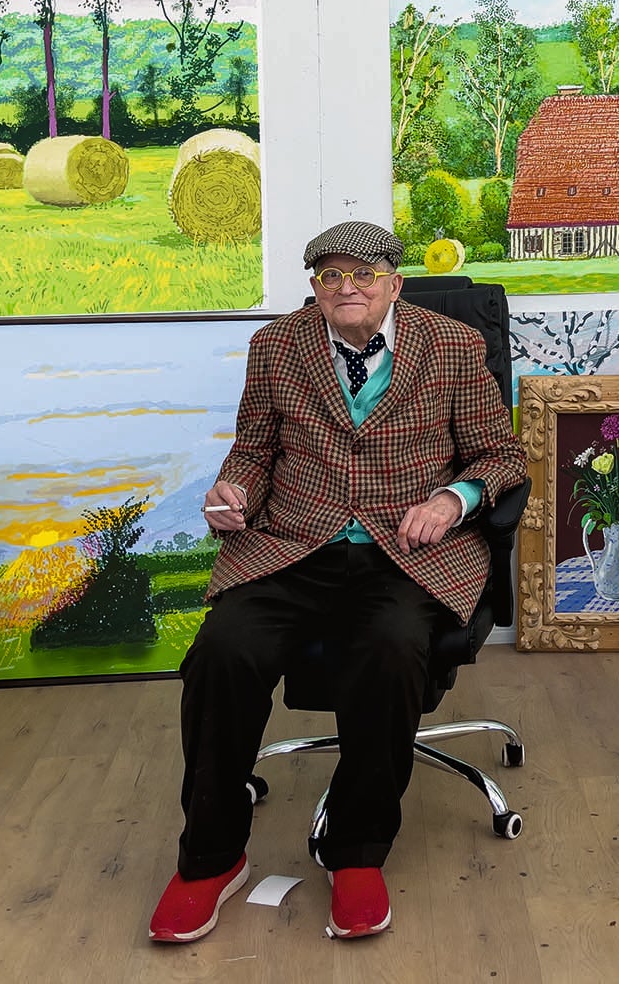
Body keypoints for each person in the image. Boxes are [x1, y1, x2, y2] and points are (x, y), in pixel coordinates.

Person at [149, 221, 524, 945]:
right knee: (223, 653)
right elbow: (255, 450)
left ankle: (356, 852)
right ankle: (210, 860)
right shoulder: (278, 346)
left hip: (409, 550)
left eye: (363, 274)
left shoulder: (451, 346)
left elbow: (499, 454)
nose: (346, 288)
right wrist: (234, 492)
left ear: (394, 282)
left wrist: (454, 501)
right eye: (329, 276)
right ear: (315, 285)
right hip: (293, 544)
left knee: (387, 652)